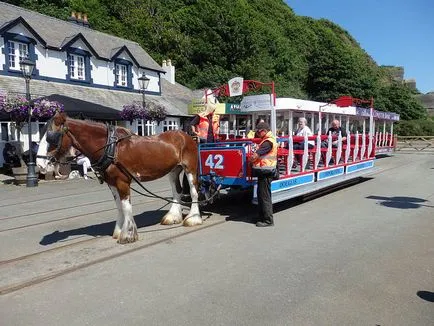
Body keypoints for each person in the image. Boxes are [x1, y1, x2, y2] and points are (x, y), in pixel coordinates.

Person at [249, 122, 278, 227]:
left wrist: (251, 159)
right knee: (262, 196)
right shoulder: (268, 140)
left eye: (258, 131)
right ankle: (262, 217)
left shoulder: (267, 142)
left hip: (266, 172)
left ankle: (268, 220)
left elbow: (256, 155)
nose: (257, 133)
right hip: (264, 172)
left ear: (264, 131)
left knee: (264, 197)